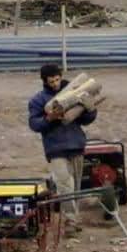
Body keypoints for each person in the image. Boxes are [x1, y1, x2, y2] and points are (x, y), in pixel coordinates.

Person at [28, 63, 98, 234]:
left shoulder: (74, 92)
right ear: (44, 81)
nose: (55, 84)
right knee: (65, 186)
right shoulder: (38, 100)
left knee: (75, 187)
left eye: (57, 80)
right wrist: (49, 119)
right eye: (51, 81)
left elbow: (85, 120)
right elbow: (34, 124)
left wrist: (90, 109)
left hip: (76, 145)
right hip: (55, 148)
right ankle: (71, 222)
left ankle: (73, 218)